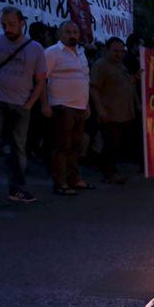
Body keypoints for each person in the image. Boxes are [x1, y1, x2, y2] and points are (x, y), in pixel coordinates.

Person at [0, 6, 46, 208]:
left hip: (20, 104)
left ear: (22, 22)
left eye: (12, 24)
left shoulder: (35, 48)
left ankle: (17, 189)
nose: (8, 29)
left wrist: (29, 105)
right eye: (4, 25)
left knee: (19, 149)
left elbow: (41, 80)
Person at [42, 21, 93, 195]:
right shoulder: (52, 53)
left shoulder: (81, 53)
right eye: (68, 31)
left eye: (75, 32)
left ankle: (74, 179)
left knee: (75, 146)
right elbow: (42, 79)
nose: (72, 35)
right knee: (61, 146)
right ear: (60, 34)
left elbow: (85, 79)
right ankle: (60, 182)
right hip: (62, 106)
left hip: (80, 106)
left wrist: (86, 104)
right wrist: (45, 103)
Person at [90, 37, 137, 184]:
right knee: (110, 143)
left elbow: (126, 83)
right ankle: (108, 173)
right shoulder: (101, 65)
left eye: (122, 51)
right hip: (109, 113)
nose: (119, 54)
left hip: (122, 113)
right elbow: (94, 88)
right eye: (115, 51)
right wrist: (100, 110)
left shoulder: (120, 66)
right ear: (106, 50)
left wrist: (135, 78)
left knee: (115, 144)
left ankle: (111, 170)